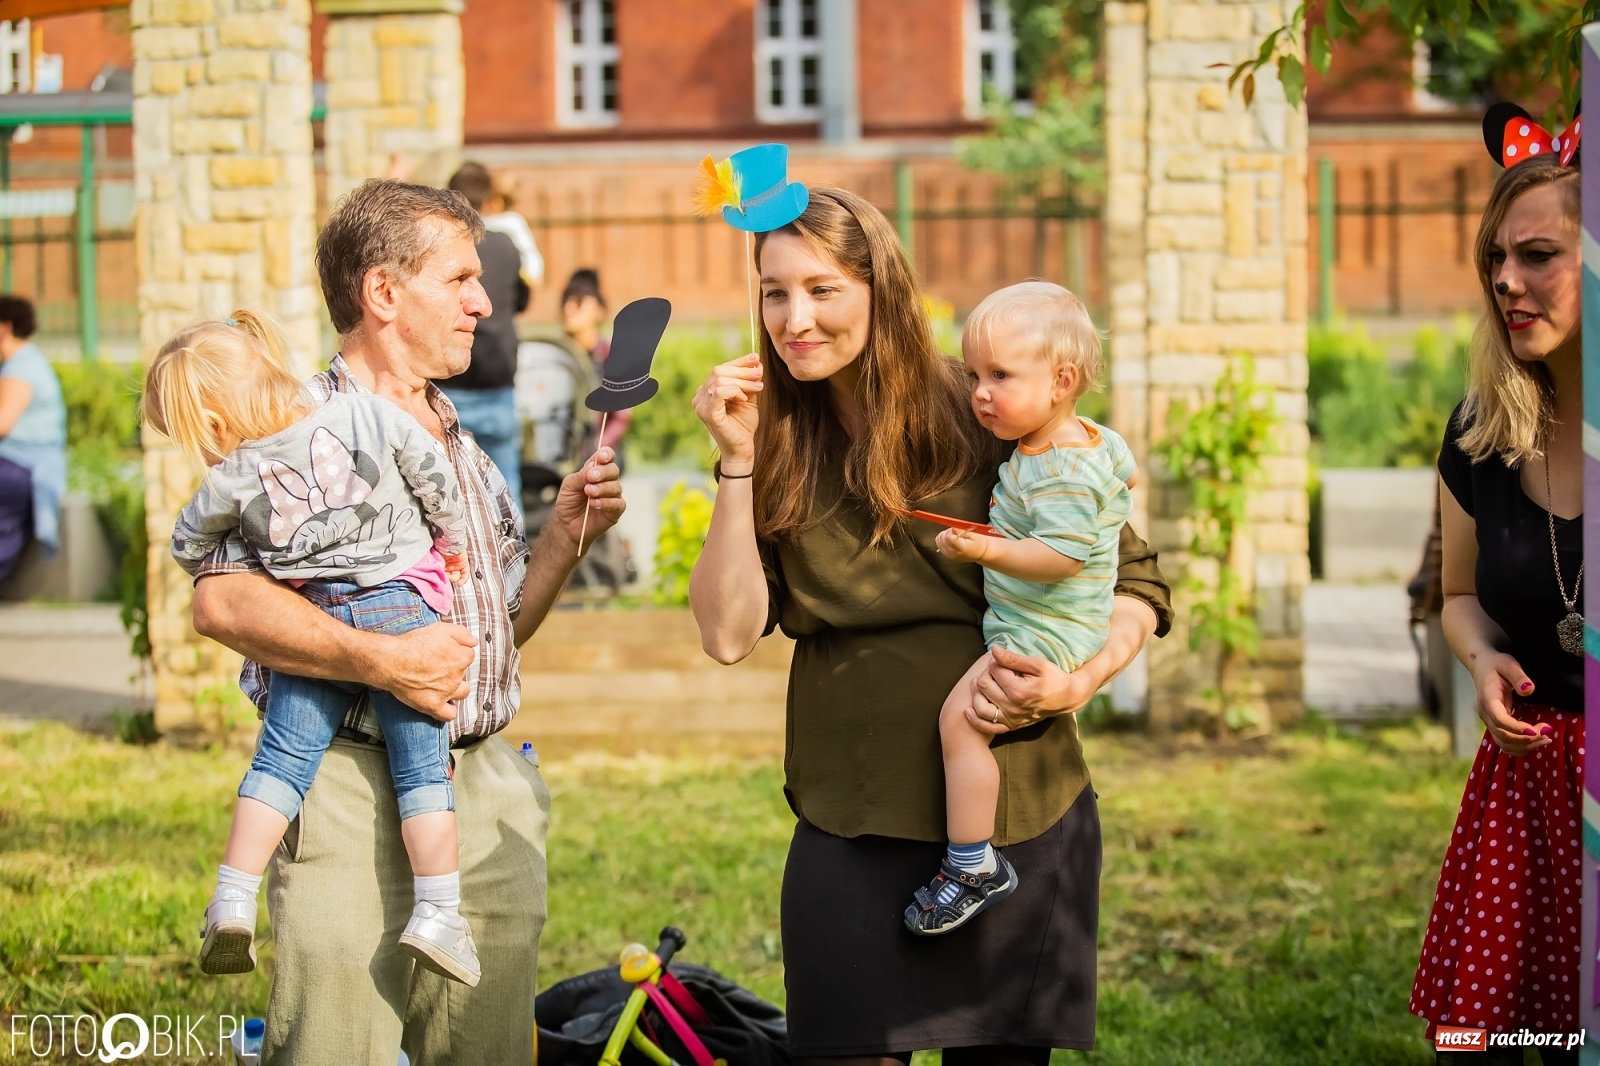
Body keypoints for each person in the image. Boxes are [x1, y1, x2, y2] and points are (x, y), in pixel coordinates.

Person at [689, 186, 1171, 1062]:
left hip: (1012, 816)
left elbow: (1134, 576)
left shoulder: (984, 406)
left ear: (882, 289)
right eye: (774, 291)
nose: (795, 319)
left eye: (823, 289)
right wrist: (735, 463)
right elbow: (726, 634)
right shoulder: (771, 438)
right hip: (852, 813)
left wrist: (1081, 678)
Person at [187, 179, 624, 1065]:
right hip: (344, 785)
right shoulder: (292, 425)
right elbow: (220, 600)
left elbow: (496, 631)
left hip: (483, 784)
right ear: (383, 293)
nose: (483, 301)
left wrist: (566, 539)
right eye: (460, 278)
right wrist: (383, 660)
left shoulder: (464, 445)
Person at [143, 309, 485, 985]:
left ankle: (233, 897)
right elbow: (429, 472)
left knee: (281, 760)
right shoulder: (362, 415)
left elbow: (186, 545)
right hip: (402, 608)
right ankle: (439, 912)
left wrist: (248, 532)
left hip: (317, 617)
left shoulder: (233, 475)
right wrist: (448, 541)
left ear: (213, 428)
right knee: (421, 767)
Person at [1408, 151, 1583, 1065]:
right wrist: (1481, 661)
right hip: (1529, 777)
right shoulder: (1482, 426)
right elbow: (1463, 595)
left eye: (1540, 255)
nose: (1508, 281)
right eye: (1497, 258)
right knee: (1492, 1041)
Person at [904, 281, 1136, 937]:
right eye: (974, 373)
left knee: (961, 723)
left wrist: (984, 551)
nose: (979, 391)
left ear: (1062, 381)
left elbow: (1059, 557)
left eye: (1000, 375)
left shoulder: (1060, 466)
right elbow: (1127, 472)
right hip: (1051, 622)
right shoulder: (1085, 440)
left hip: (1045, 634)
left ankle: (972, 865)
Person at [438, 161, 530, 503]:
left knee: (452, 494)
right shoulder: (506, 245)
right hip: (498, 383)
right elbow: (522, 300)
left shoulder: (440, 251)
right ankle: (517, 556)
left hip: (451, 387)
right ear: (488, 199)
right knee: (507, 489)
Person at [0, 294, 65, 586]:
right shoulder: (26, 361)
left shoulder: (20, 369)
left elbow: (2, 424)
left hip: (20, 468)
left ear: (4, 327)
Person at [560, 268, 630, 468]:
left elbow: (621, 417)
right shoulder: (556, 356)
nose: (569, 308)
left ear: (599, 310)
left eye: (580, 301)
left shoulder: (610, 356)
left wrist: (597, 449)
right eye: (566, 300)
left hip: (600, 455)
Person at [482, 172, 545, 296]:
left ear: (496, 201)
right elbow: (528, 251)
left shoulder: (488, 221)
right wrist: (534, 273)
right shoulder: (514, 221)